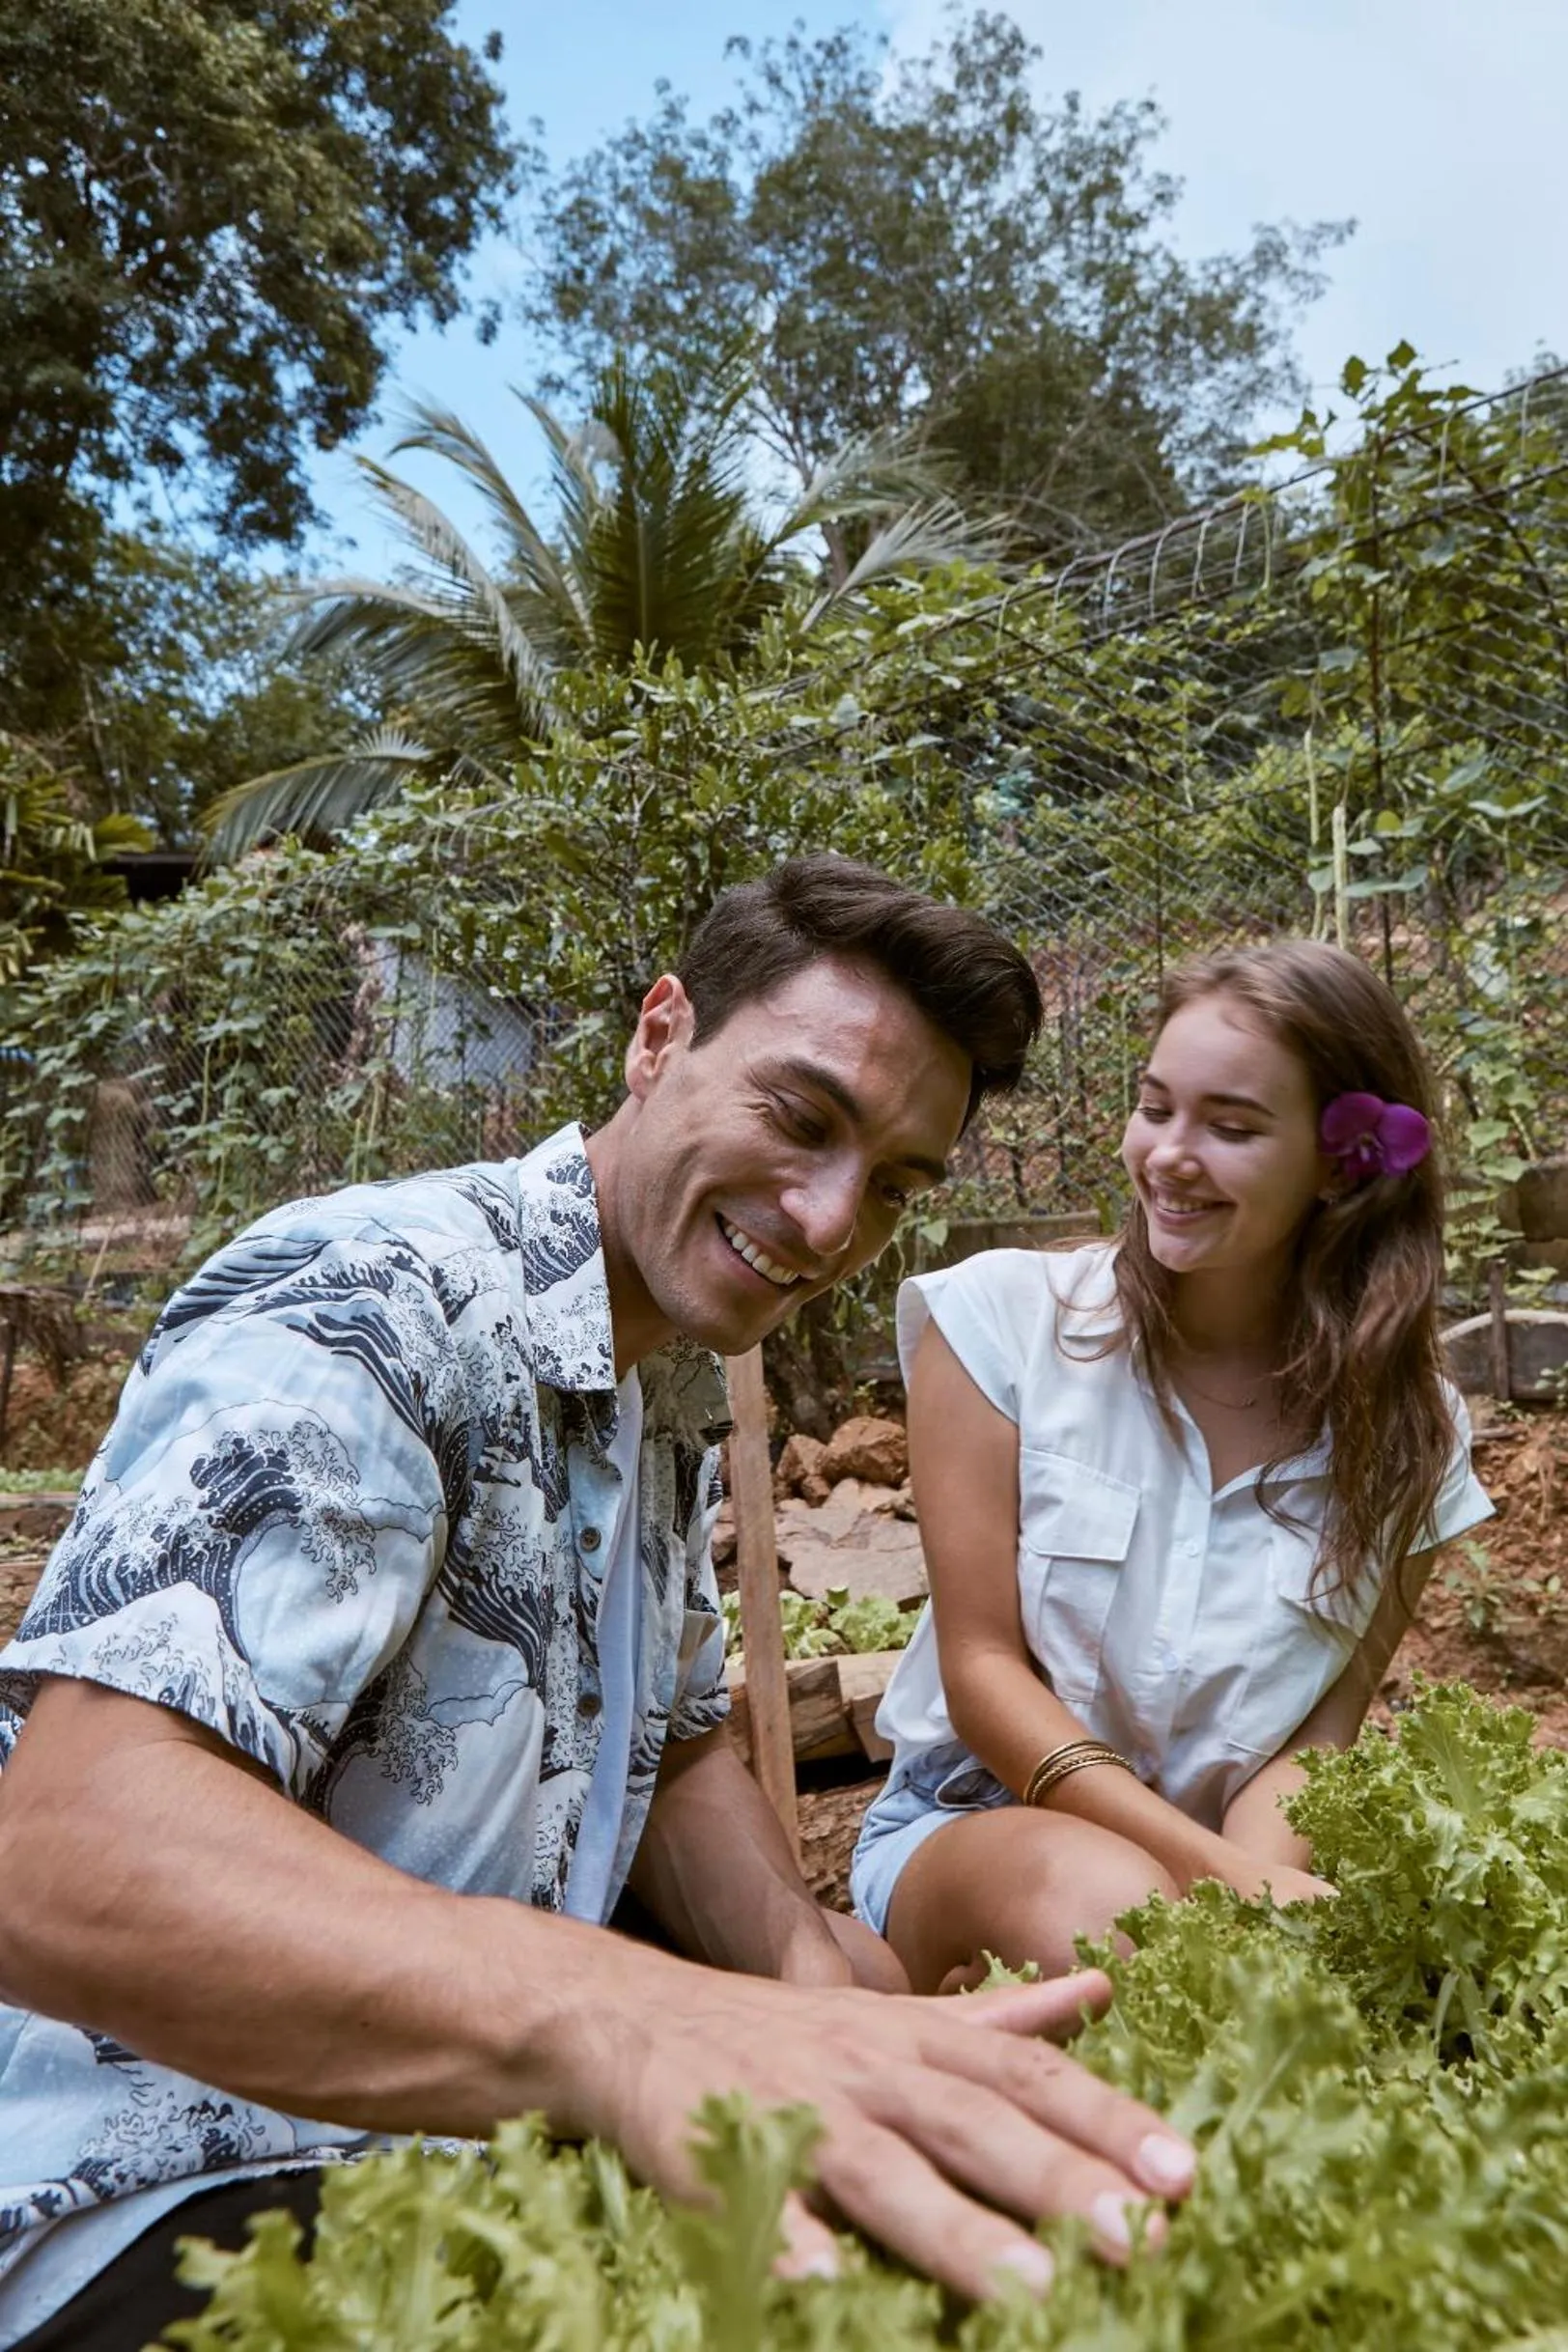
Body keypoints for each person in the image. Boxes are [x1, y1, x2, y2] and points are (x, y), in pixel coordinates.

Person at [0, 856, 1196, 2351]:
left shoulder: (658, 1388)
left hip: (473, 2160)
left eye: (893, 1186)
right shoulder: (378, 1295)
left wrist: (802, 1975)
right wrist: (622, 2018)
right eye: (800, 1116)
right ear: (659, 1035)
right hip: (177, 2189)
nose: (830, 1223)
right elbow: (59, 1852)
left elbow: (681, 1739)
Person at [852, 938, 1494, 1995]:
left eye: (1231, 1127)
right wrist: (1223, 1890)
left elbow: (1315, 1741)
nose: (1168, 1156)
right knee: (1110, 1922)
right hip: (982, 1825)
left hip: (1228, 1866)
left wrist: (1255, 1898)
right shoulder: (999, 1325)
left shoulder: (1412, 1432)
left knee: (1244, 1975)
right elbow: (981, 1677)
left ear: (1341, 1166)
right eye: (1154, 1109)